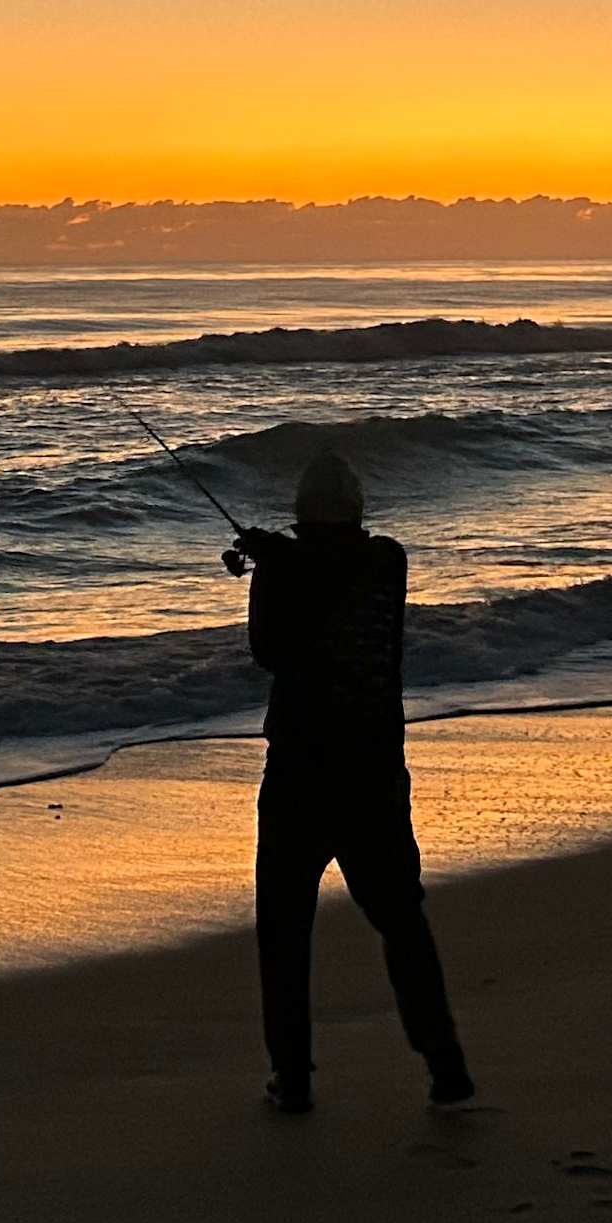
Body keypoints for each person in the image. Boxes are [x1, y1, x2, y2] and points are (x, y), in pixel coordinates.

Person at [228, 449, 476, 1114]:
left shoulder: (293, 569)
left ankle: (294, 1077)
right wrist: (274, 559)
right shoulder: (384, 563)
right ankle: (445, 1063)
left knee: (284, 929)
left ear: (301, 516)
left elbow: (268, 653)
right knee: (401, 919)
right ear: (359, 511)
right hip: (373, 771)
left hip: (300, 774)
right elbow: (327, 574)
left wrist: (272, 563)